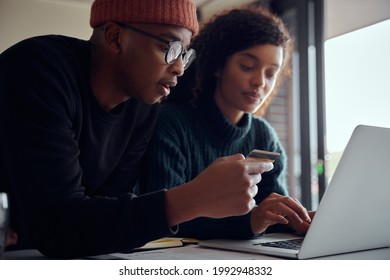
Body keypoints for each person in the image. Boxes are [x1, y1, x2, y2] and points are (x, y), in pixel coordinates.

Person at [0, 0, 278, 258]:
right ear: (114, 36)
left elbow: (103, 219)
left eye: (185, 54)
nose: (180, 68)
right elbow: (57, 226)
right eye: (168, 48)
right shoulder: (37, 70)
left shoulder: (143, 108)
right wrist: (191, 198)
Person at [139, 7, 313, 240]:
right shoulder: (171, 123)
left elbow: (272, 216)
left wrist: (296, 219)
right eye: (247, 67)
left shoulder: (264, 136)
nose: (260, 82)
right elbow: (166, 219)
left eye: (271, 73)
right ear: (218, 65)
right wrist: (249, 221)